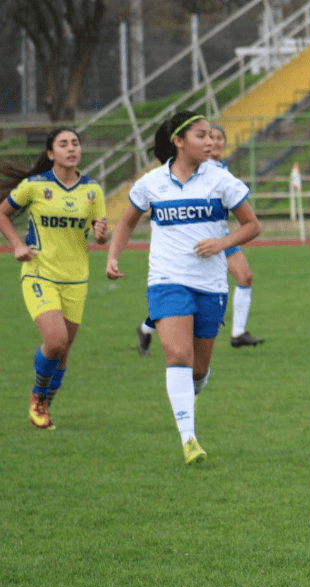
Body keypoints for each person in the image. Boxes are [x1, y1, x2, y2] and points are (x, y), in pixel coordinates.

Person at [106, 111, 261, 464]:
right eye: (201, 136)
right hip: (166, 280)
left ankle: (190, 401)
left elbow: (252, 225)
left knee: (198, 369)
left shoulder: (221, 180)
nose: (210, 142)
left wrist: (221, 244)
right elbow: (126, 222)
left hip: (210, 285)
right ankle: (189, 439)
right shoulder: (151, 183)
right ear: (178, 141)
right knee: (177, 355)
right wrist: (112, 257)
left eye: (211, 136)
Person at [0, 127, 108, 430]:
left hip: (76, 279)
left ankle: (46, 403)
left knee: (63, 352)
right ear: (51, 153)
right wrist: (18, 244)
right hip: (39, 272)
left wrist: (103, 234)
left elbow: (100, 234)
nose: (72, 148)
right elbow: (2, 213)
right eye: (63, 144)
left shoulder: (92, 191)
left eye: (75, 143)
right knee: (56, 340)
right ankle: (37, 395)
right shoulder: (34, 186)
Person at [137, 121, 264, 354]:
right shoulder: (192, 166)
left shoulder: (219, 169)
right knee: (181, 288)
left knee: (244, 276)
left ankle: (237, 332)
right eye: (208, 137)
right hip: (196, 240)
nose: (214, 142)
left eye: (218, 138)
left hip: (221, 238)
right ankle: (148, 326)